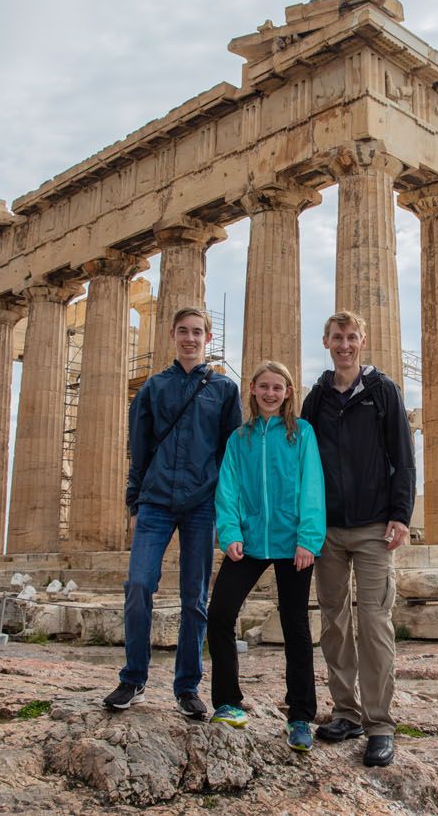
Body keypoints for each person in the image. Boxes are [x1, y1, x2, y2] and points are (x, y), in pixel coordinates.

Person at [102, 307, 242, 718]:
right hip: (156, 501)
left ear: (208, 338)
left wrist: (227, 509)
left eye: (197, 332)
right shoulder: (153, 388)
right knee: (139, 585)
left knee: (194, 597)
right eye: (183, 331)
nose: (190, 338)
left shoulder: (224, 390)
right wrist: (133, 501)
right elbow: (139, 449)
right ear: (172, 335)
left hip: (201, 503)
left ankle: (187, 687)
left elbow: (230, 453)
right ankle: (133, 679)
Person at [301, 310, 415, 767]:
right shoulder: (316, 398)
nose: (344, 345)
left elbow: (403, 457)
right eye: (337, 338)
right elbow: (304, 460)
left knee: (374, 623)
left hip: (372, 527)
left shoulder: (383, 392)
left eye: (351, 337)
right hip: (327, 529)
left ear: (362, 340)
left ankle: (380, 723)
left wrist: (400, 515)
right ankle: (345, 712)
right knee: (333, 622)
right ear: (326, 341)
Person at [206, 360, 326, 751]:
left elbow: (312, 486)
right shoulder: (239, 439)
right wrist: (230, 533)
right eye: (264, 387)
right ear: (253, 390)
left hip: (294, 543)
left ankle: (301, 717)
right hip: (251, 541)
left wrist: (309, 538)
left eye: (279, 387)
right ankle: (227, 700)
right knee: (220, 612)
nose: (271, 393)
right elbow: (228, 488)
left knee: (295, 627)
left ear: (289, 392)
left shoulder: (302, 433)